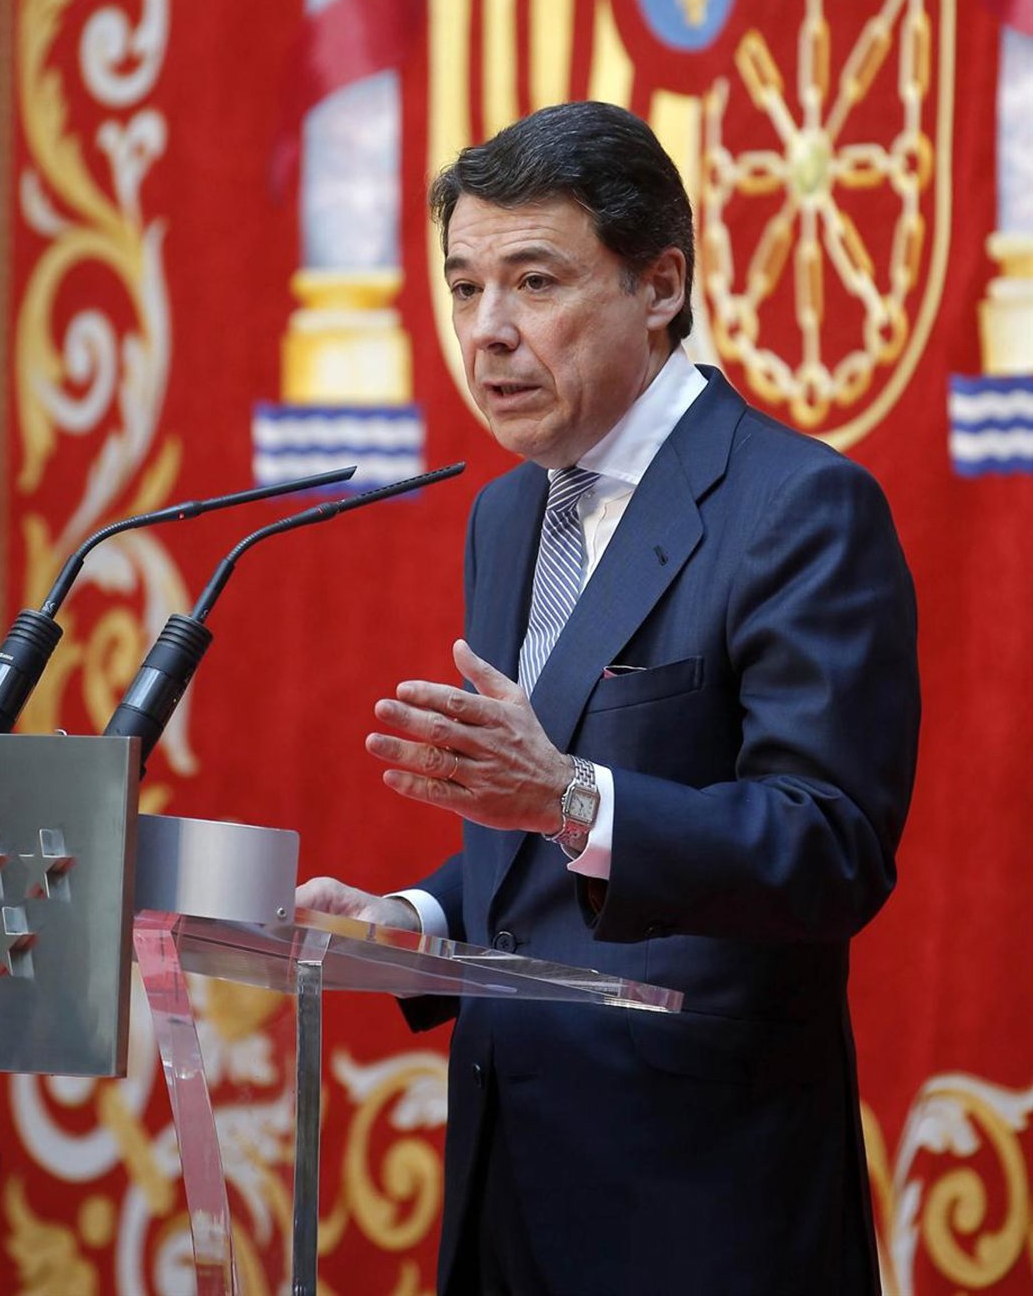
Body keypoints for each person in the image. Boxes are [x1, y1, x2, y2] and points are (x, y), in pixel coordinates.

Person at [300, 101, 919, 1296]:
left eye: (534, 281)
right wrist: (416, 921)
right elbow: (540, 845)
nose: (488, 330)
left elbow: (831, 845)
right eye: (465, 286)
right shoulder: (509, 511)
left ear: (660, 285)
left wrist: (568, 795)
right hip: (505, 1183)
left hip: (700, 1205)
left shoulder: (797, 506)